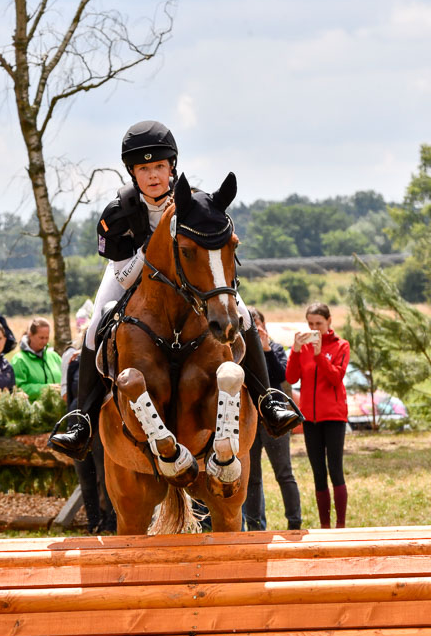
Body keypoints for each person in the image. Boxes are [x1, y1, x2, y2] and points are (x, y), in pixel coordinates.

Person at [50, 119, 299, 459]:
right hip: (131, 276)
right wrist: (154, 248)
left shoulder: (195, 204)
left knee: (241, 313)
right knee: (97, 322)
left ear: (171, 167)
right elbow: (123, 275)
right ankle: (82, 419)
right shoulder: (117, 213)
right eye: (144, 168)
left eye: (159, 167)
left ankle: (267, 399)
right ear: (132, 172)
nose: (153, 175)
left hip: (189, 286)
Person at [286, 302, 350, 529]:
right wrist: (294, 349)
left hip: (333, 417)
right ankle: (325, 527)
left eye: (319, 324)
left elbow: (336, 377)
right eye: (310, 324)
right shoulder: (302, 349)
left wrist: (319, 353)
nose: (314, 328)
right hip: (310, 419)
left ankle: (340, 526)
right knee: (318, 473)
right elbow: (292, 378)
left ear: (329, 321)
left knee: (335, 470)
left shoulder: (341, 345)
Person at [243, 308, 302, 531]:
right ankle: (254, 525)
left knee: (284, 473)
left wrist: (266, 349)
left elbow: (281, 376)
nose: (255, 332)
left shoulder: (275, 348)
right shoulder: (242, 352)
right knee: (252, 477)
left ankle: (294, 522)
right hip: (250, 420)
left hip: (274, 420)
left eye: (258, 326)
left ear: (265, 326)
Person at [11, 317, 61, 401]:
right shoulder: (19, 360)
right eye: (41, 338)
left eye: (47, 338)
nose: (44, 341)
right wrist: (46, 389)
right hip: (33, 411)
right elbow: (19, 389)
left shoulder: (54, 356)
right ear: (30, 335)